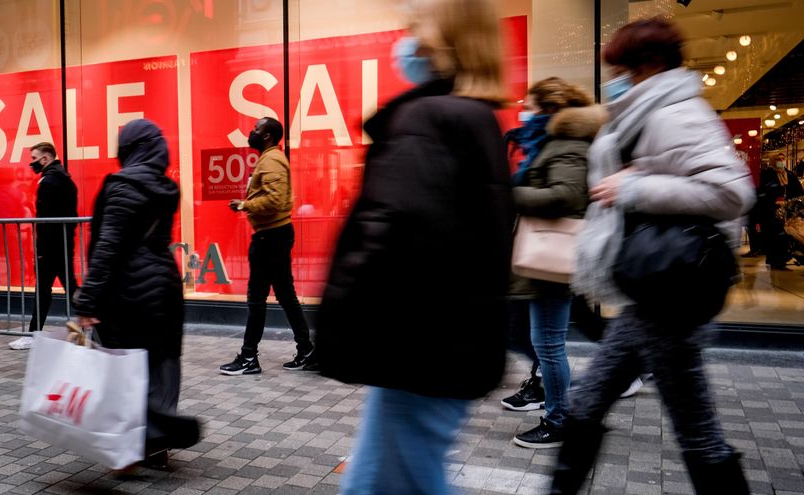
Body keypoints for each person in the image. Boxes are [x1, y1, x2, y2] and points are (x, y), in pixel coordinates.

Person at [315, 0, 514, 492]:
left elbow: (390, 228)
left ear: (438, 40)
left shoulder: (429, 119)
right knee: (388, 477)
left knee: (384, 483)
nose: (401, 43)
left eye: (411, 30)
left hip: (419, 346)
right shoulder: (476, 119)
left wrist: (336, 320)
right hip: (446, 342)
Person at [554, 18, 752, 494]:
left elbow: (731, 192)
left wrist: (634, 187)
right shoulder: (644, 111)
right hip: (654, 291)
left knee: (696, 431)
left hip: (673, 293)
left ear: (652, 64)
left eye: (623, 68)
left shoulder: (676, 112)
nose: (615, 78)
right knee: (586, 400)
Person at [74, 119, 198, 469]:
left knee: (123, 369)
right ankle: (157, 446)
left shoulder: (121, 186)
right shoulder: (166, 186)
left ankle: (125, 452)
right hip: (164, 286)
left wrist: (87, 299)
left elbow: (108, 247)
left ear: (129, 149)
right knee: (162, 364)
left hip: (127, 289)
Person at [503, 78, 603, 448]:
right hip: (542, 260)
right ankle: (556, 406)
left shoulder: (569, 145)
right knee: (542, 341)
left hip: (552, 261)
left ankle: (560, 419)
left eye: (529, 106)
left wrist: (509, 193)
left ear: (548, 109)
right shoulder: (554, 143)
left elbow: (565, 196)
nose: (523, 112)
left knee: (548, 344)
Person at [219, 117, 317, 376]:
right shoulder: (270, 158)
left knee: (257, 298)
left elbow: (273, 200)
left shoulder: (272, 160)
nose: (251, 133)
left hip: (270, 238)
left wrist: (244, 205)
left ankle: (249, 357)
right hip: (274, 235)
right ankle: (307, 351)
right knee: (285, 296)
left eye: (256, 130)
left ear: (268, 136)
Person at [9, 142, 79, 350]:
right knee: (70, 288)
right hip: (65, 243)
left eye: (34, 158)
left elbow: (45, 220)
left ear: (45, 159)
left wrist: (41, 250)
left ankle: (33, 335)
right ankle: (98, 329)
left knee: (45, 290)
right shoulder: (67, 180)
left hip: (50, 248)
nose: (32, 163)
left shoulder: (48, 182)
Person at [759, 153, 803, 270]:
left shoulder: (789, 174)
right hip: (772, 211)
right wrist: (773, 201)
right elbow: (762, 191)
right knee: (774, 235)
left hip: (788, 211)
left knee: (785, 236)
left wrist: (792, 202)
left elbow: (798, 191)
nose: (781, 161)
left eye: (783, 159)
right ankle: (775, 260)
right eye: (778, 159)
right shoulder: (767, 174)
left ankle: (783, 258)